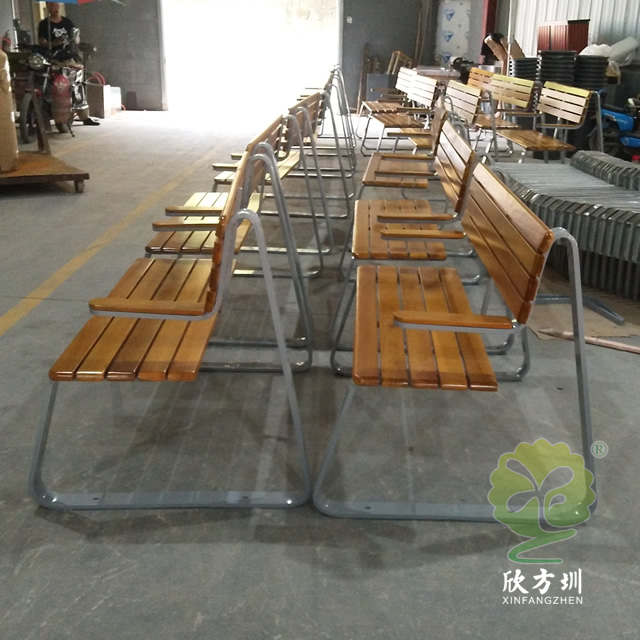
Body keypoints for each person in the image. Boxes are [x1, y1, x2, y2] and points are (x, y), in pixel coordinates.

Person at [37, 2, 99, 126]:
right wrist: (52, 44)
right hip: (51, 58)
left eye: (57, 5)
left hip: (67, 58)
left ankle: (84, 115)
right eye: (52, 5)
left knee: (77, 83)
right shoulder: (44, 24)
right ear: (47, 7)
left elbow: (76, 39)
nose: (55, 8)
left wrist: (76, 40)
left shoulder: (67, 22)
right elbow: (41, 41)